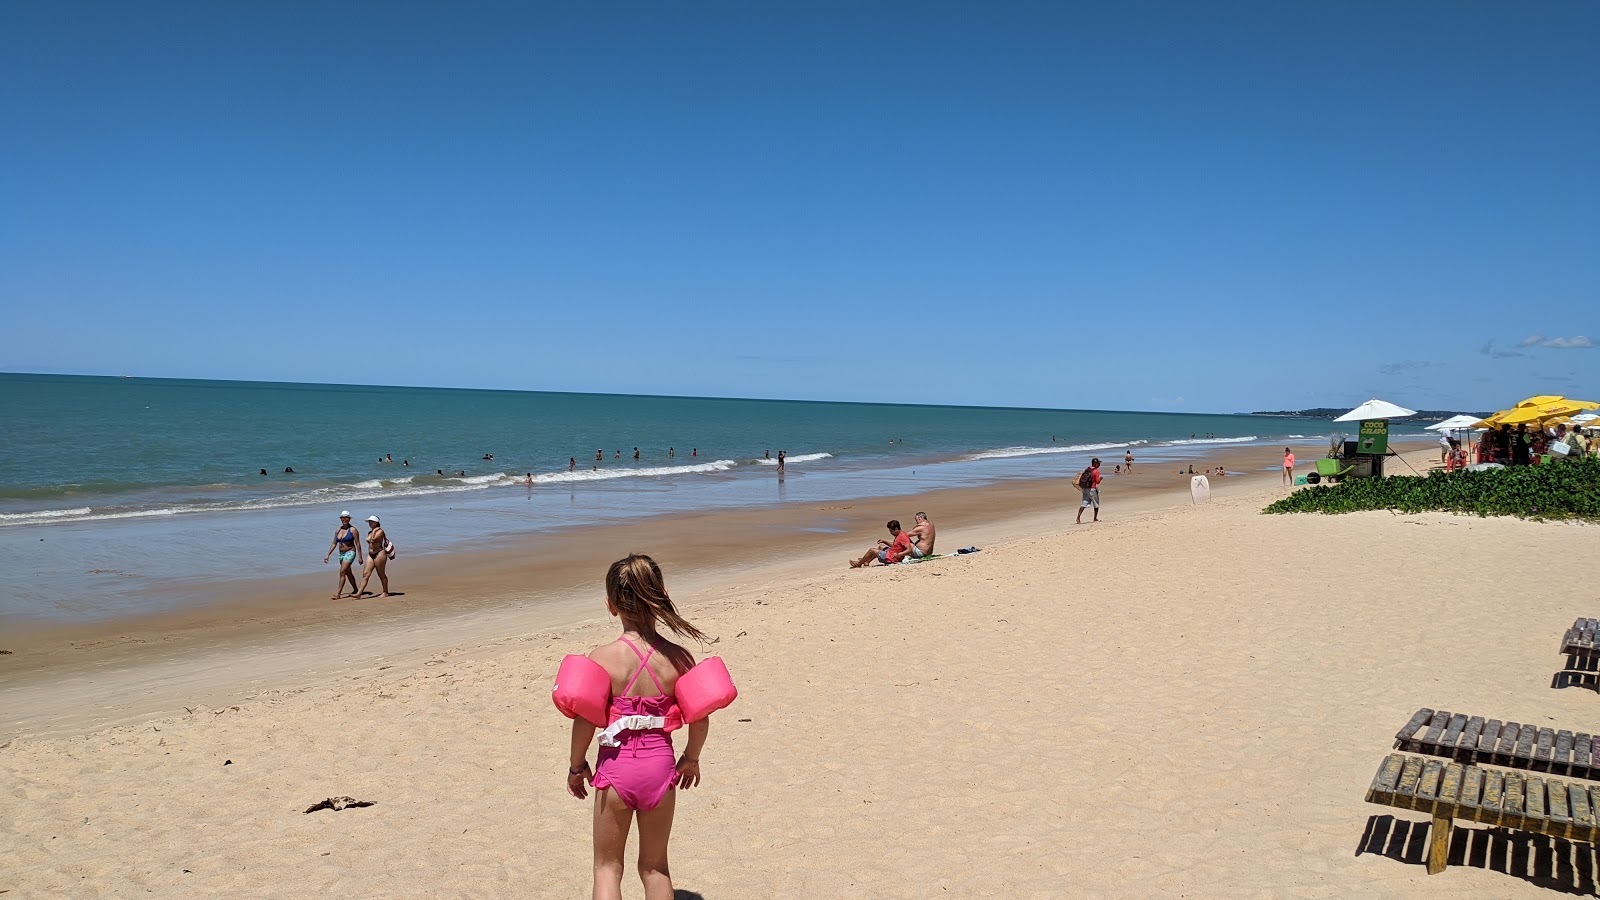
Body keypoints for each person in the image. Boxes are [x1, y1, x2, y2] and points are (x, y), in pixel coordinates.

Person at [566, 554, 711, 900]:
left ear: (611, 605)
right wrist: (691, 758)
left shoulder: (601, 658)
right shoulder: (680, 658)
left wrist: (576, 766)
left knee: (607, 868)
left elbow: (585, 719)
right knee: (655, 867)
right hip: (660, 768)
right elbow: (700, 717)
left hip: (616, 770)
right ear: (659, 593)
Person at [322, 511, 363, 599]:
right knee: (348, 573)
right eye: (342, 518)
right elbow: (334, 543)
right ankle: (356, 589)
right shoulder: (338, 530)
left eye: (346, 518)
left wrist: (360, 557)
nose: (344, 519)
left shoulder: (353, 530)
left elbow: (358, 543)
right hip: (341, 553)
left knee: (342, 572)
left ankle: (338, 594)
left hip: (350, 552)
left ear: (349, 519)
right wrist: (328, 555)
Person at [357, 515, 391, 598]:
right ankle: (359, 593)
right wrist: (372, 531)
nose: (370, 523)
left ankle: (385, 592)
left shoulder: (380, 531)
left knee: (381, 574)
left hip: (379, 554)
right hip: (371, 554)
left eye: (371, 522)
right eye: (369, 522)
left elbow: (373, 539)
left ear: (376, 522)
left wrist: (375, 530)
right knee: (365, 574)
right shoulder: (370, 532)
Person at [1075, 458, 1102, 524]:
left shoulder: (1088, 469)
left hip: (1085, 488)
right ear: (1095, 464)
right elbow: (1097, 481)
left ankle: (1078, 517)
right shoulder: (1096, 471)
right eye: (1098, 463)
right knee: (1096, 504)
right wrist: (1100, 478)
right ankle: (1095, 518)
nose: (1099, 464)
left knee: (1084, 503)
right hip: (1092, 489)